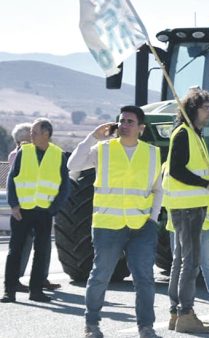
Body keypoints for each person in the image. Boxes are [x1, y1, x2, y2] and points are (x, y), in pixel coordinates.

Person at [66, 107, 161, 338]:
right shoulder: (103, 149)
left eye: (130, 121)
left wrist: (153, 219)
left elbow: (158, 189)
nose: (124, 124)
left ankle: (146, 327)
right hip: (108, 225)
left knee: (145, 279)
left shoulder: (152, 153)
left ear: (141, 128)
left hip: (141, 227)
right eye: (121, 121)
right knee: (100, 276)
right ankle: (92, 325)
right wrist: (92, 137)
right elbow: (73, 165)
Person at [163, 89, 209, 334]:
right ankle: (185, 313)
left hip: (189, 207)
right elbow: (177, 170)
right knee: (190, 262)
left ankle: (177, 313)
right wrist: (206, 183)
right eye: (207, 107)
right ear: (193, 109)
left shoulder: (194, 135)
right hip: (187, 208)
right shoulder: (184, 134)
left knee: (180, 260)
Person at [3, 118, 69, 304]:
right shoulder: (24, 151)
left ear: (46, 134)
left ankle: (36, 291)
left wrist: (54, 209)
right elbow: (12, 178)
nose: (30, 135)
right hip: (21, 211)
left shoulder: (58, 155)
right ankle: (9, 291)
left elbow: (65, 186)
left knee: (41, 252)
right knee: (14, 251)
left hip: (44, 212)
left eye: (34, 132)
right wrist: (14, 204)